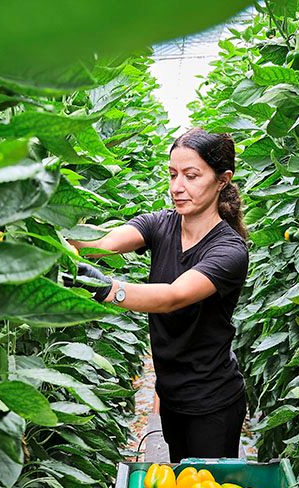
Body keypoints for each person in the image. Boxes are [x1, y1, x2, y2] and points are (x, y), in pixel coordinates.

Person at [66, 127, 249, 463]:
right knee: (181, 486)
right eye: (173, 174)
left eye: (191, 176)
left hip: (212, 402)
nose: (177, 187)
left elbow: (172, 296)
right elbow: (102, 242)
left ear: (222, 180)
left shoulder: (229, 250)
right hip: (171, 394)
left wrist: (107, 288)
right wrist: (48, 230)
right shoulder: (160, 225)